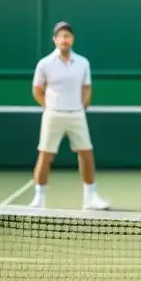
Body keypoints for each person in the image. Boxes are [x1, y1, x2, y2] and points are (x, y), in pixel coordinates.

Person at [29, 21, 110, 211]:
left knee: (86, 154)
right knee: (45, 155)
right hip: (53, 116)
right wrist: (49, 106)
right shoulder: (44, 64)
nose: (64, 39)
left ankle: (90, 198)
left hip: (77, 115)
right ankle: (38, 200)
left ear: (72, 39)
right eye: (61, 36)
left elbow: (87, 87)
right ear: (55, 39)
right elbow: (37, 89)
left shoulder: (83, 63)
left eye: (68, 36)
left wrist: (82, 105)